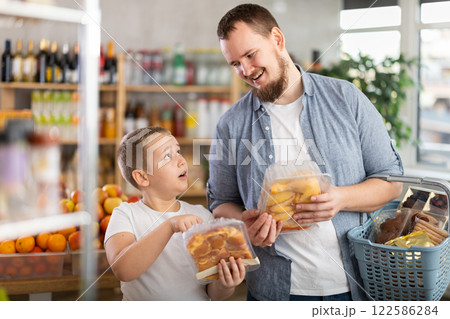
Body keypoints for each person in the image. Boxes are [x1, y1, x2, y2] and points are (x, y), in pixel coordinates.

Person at [207, 4, 403, 301]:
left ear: (277, 39)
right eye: (234, 63)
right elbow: (221, 203)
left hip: (355, 288)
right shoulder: (230, 125)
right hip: (274, 293)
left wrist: (340, 198)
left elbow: (392, 181)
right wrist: (245, 227)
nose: (245, 71)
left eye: (250, 55)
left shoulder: (346, 99)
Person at [105, 126, 246, 300]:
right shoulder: (126, 214)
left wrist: (224, 284)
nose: (181, 160)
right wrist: (169, 226)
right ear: (142, 177)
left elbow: (213, 292)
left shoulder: (202, 216)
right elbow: (123, 270)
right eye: (167, 156)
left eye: (178, 151)